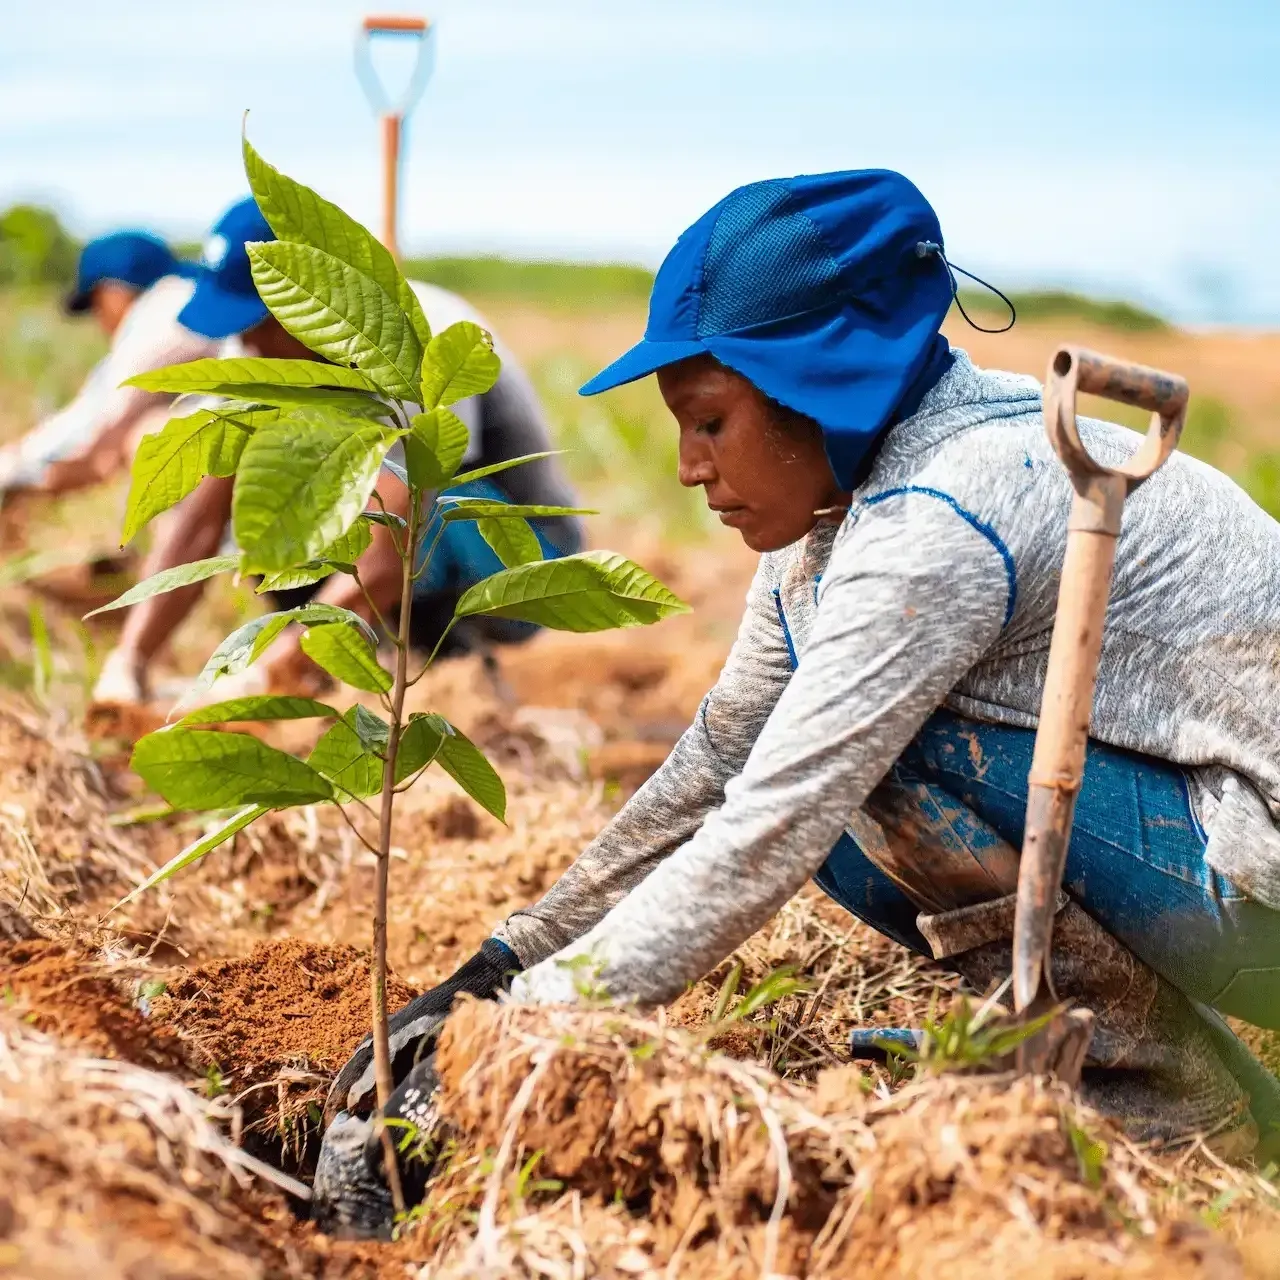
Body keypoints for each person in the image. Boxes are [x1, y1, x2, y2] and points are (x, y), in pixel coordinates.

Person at [314, 167, 1280, 1234]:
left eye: (710, 421)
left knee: (864, 761)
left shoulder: (939, 512)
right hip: (1201, 863)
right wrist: (500, 963)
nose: (687, 465)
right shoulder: (839, 513)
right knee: (813, 756)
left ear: (820, 386)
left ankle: (1155, 1100)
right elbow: (717, 756)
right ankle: (1183, 1088)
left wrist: (509, 1039)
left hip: (1260, 881)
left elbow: (773, 815)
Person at [89, 198, 582, 709]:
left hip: (520, 563)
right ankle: (350, 660)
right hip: (408, 540)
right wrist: (131, 659)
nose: (249, 344)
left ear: (311, 300)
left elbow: (392, 545)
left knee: (419, 512)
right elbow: (200, 518)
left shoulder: (416, 345)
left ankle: (444, 657)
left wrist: (264, 674)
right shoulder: (255, 348)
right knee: (265, 493)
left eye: (261, 324)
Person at [0, 231, 212, 498]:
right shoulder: (190, 297)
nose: (99, 320)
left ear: (114, 290)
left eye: (96, 304)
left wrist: (13, 468)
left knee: (149, 438)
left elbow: (94, 428)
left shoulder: (160, 317)